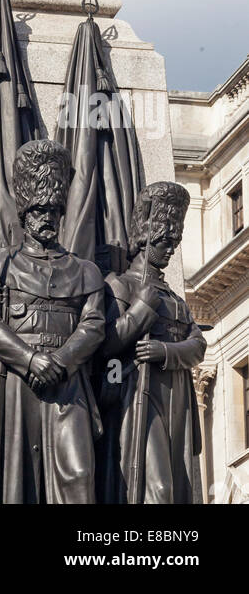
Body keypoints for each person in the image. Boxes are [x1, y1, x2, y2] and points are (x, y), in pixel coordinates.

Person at [0, 139, 105, 503]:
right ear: (23, 213)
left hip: (69, 383)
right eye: (37, 210)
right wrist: (31, 359)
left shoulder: (86, 271)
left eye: (52, 210)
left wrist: (60, 362)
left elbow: (93, 325)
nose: (46, 218)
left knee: (79, 475)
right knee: (18, 482)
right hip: (17, 380)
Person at [98, 182, 206, 504]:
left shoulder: (175, 299)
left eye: (175, 242)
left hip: (178, 397)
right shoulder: (120, 286)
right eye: (165, 242)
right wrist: (142, 309)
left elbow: (197, 345)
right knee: (158, 489)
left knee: (178, 487)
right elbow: (106, 343)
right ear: (148, 239)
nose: (172, 250)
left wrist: (165, 351)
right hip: (140, 395)